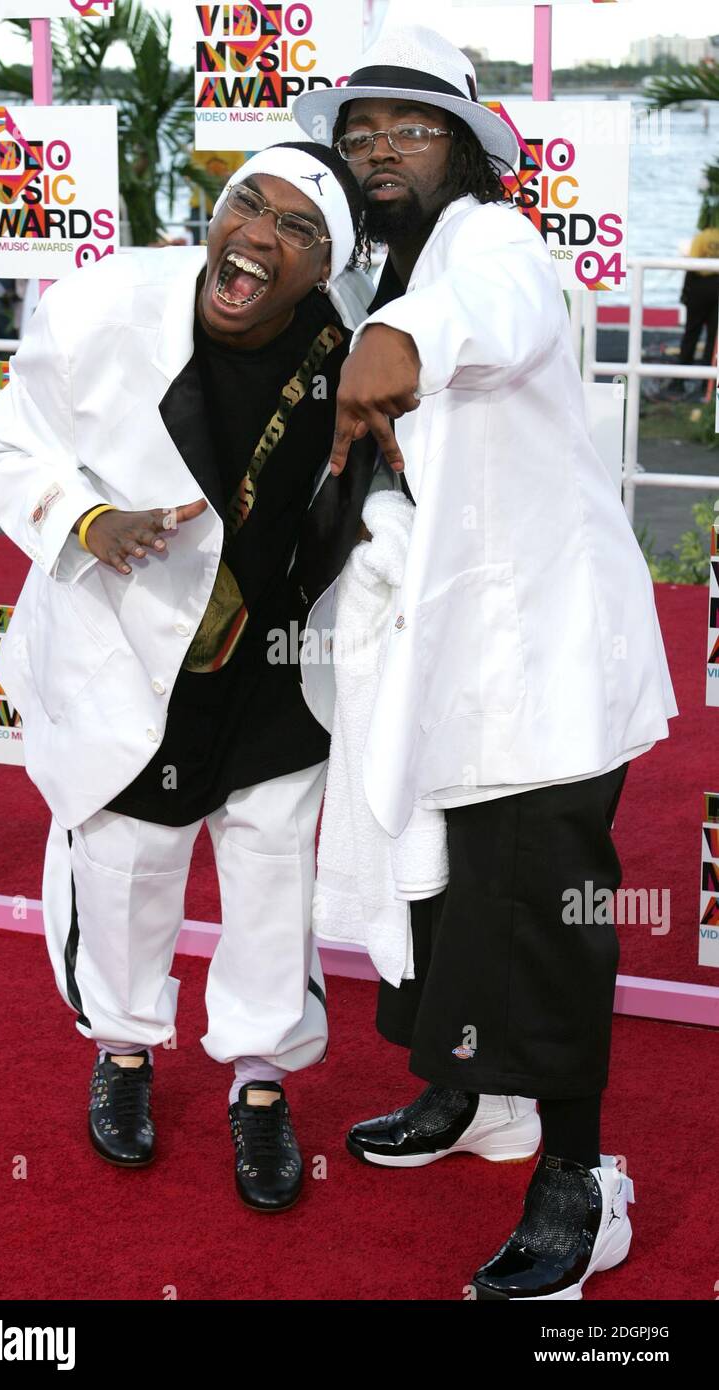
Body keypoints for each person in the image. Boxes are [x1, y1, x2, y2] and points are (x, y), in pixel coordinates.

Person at [294, 26, 678, 1299]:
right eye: (359, 133)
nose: (379, 148)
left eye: (409, 127)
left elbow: (492, 316)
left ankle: (582, 1177)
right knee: (453, 891)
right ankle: (473, 1098)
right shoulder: (386, 269)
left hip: (541, 664)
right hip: (450, 654)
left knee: (548, 917)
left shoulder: (492, 248)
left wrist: (403, 349)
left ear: (466, 148)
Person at [0, 142, 382, 1212]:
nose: (257, 236)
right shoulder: (101, 307)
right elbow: (9, 449)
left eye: (297, 230)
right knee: (127, 863)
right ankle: (123, 1050)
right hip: (130, 637)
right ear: (218, 208)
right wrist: (91, 523)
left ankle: (258, 1081)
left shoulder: (355, 351)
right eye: (248, 204)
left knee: (269, 868)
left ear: (325, 264)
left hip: (283, 652)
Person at [667, 218, 719, 399]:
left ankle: (679, 382)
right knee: (714, 341)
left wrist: (685, 293)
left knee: (690, 335)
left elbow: (692, 266)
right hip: (716, 288)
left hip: (698, 289)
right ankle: (707, 385)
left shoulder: (701, 237)